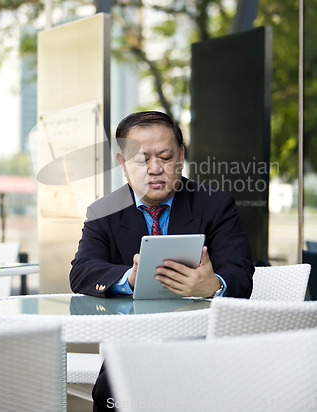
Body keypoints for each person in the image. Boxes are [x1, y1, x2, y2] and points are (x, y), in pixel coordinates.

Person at [70, 110, 254, 411]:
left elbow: (241, 272)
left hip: (202, 344)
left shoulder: (215, 205)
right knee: (110, 392)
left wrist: (213, 285)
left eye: (166, 157)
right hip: (131, 347)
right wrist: (129, 277)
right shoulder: (103, 211)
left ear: (180, 156)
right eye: (142, 160)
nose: (155, 169)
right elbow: (82, 272)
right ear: (122, 164)